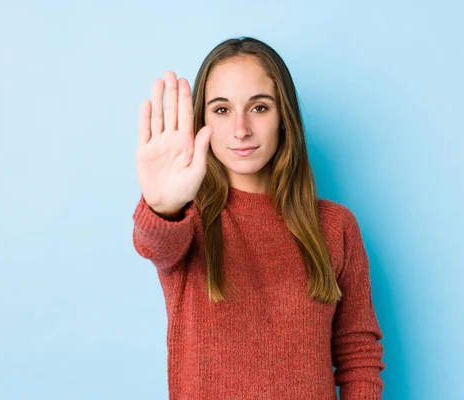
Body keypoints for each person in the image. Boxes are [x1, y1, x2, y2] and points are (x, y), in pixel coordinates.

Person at [132, 36, 385, 400]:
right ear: (200, 121)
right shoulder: (188, 221)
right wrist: (161, 205)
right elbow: (155, 242)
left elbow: (358, 352)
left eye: (259, 107)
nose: (240, 129)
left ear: (284, 116)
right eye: (221, 110)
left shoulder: (335, 225)